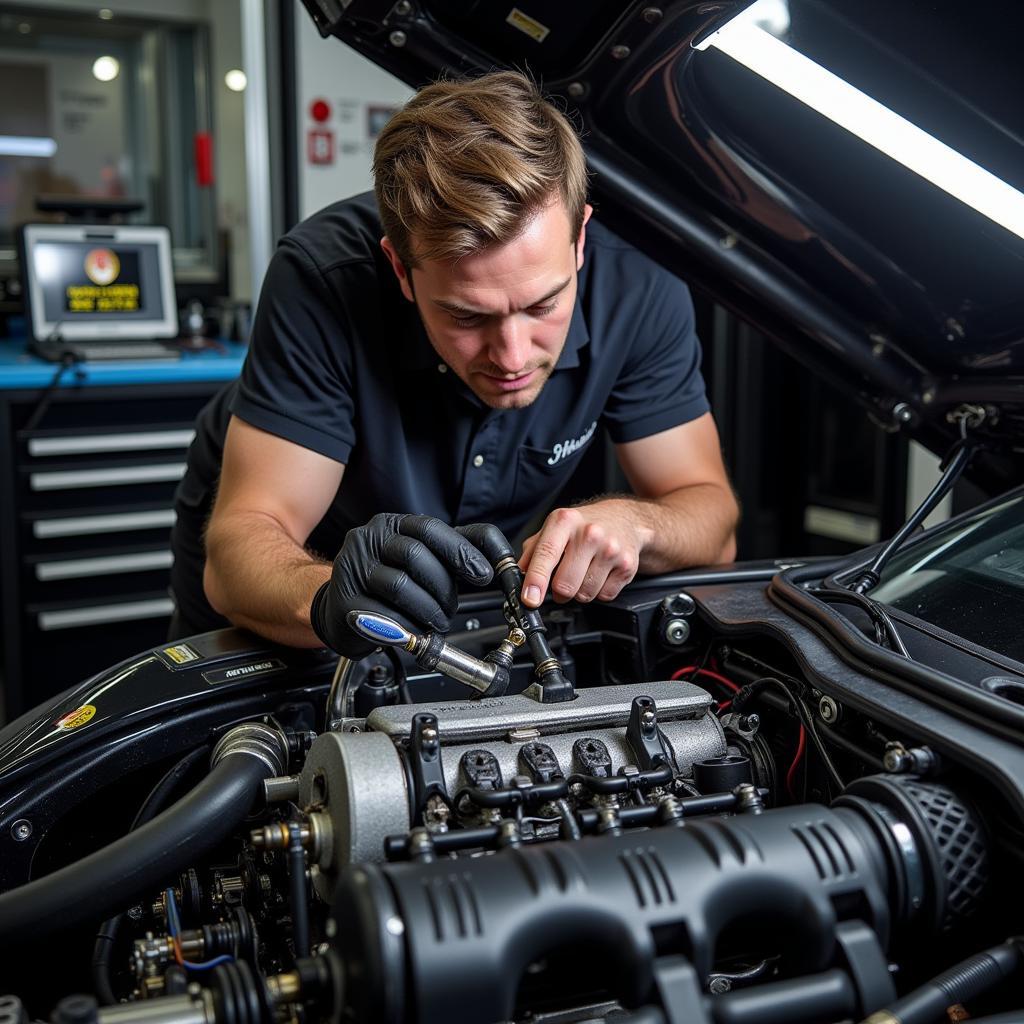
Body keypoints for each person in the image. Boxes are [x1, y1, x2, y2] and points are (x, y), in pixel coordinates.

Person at [168, 71, 738, 657]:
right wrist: (326, 597)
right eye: (467, 317)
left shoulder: (638, 288)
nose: (513, 357)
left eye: (543, 304)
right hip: (300, 583)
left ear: (580, 240)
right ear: (399, 269)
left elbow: (710, 516)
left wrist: (637, 524)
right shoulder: (323, 280)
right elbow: (240, 547)